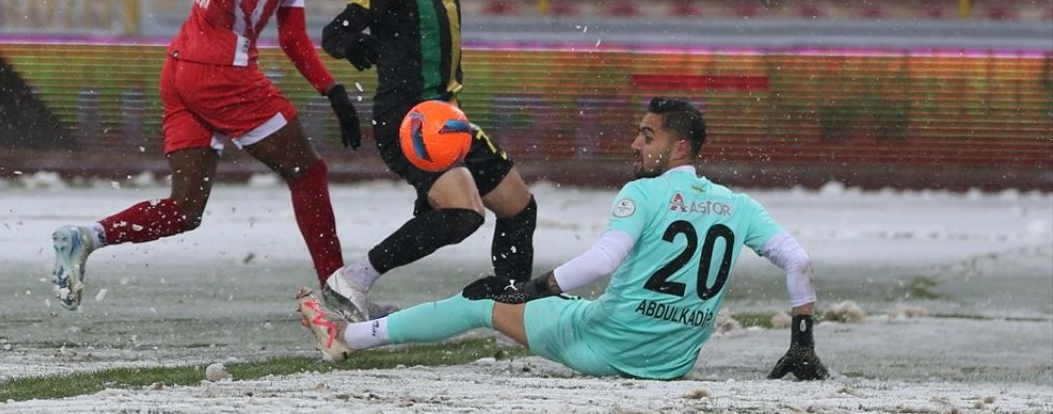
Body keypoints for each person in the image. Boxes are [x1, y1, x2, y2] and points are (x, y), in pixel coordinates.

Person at [297, 98, 829, 382]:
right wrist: (801, 342)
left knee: (478, 303)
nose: (635, 143)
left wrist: (527, 290)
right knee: (574, 301)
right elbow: (797, 259)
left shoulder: (641, 194)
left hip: (609, 346)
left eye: (648, 135)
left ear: (681, 144)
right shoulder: (738, 205)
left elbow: (602, 259)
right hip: (671, 361)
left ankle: (345, 339)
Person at [51, 0, 362, 310]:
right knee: (308, 173)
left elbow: (292, 35)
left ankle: (86, 238)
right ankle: (340, 296)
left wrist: (332, 91)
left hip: (183, 67)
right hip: (219, 71)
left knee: (184, 211)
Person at [317, 0, 538, 322]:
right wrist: (353, 43)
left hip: (447, 116)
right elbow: (334, 33)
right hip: (409, 119)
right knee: (464, 214)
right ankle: (353, 279)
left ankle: (512, 308)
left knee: (519, 207)